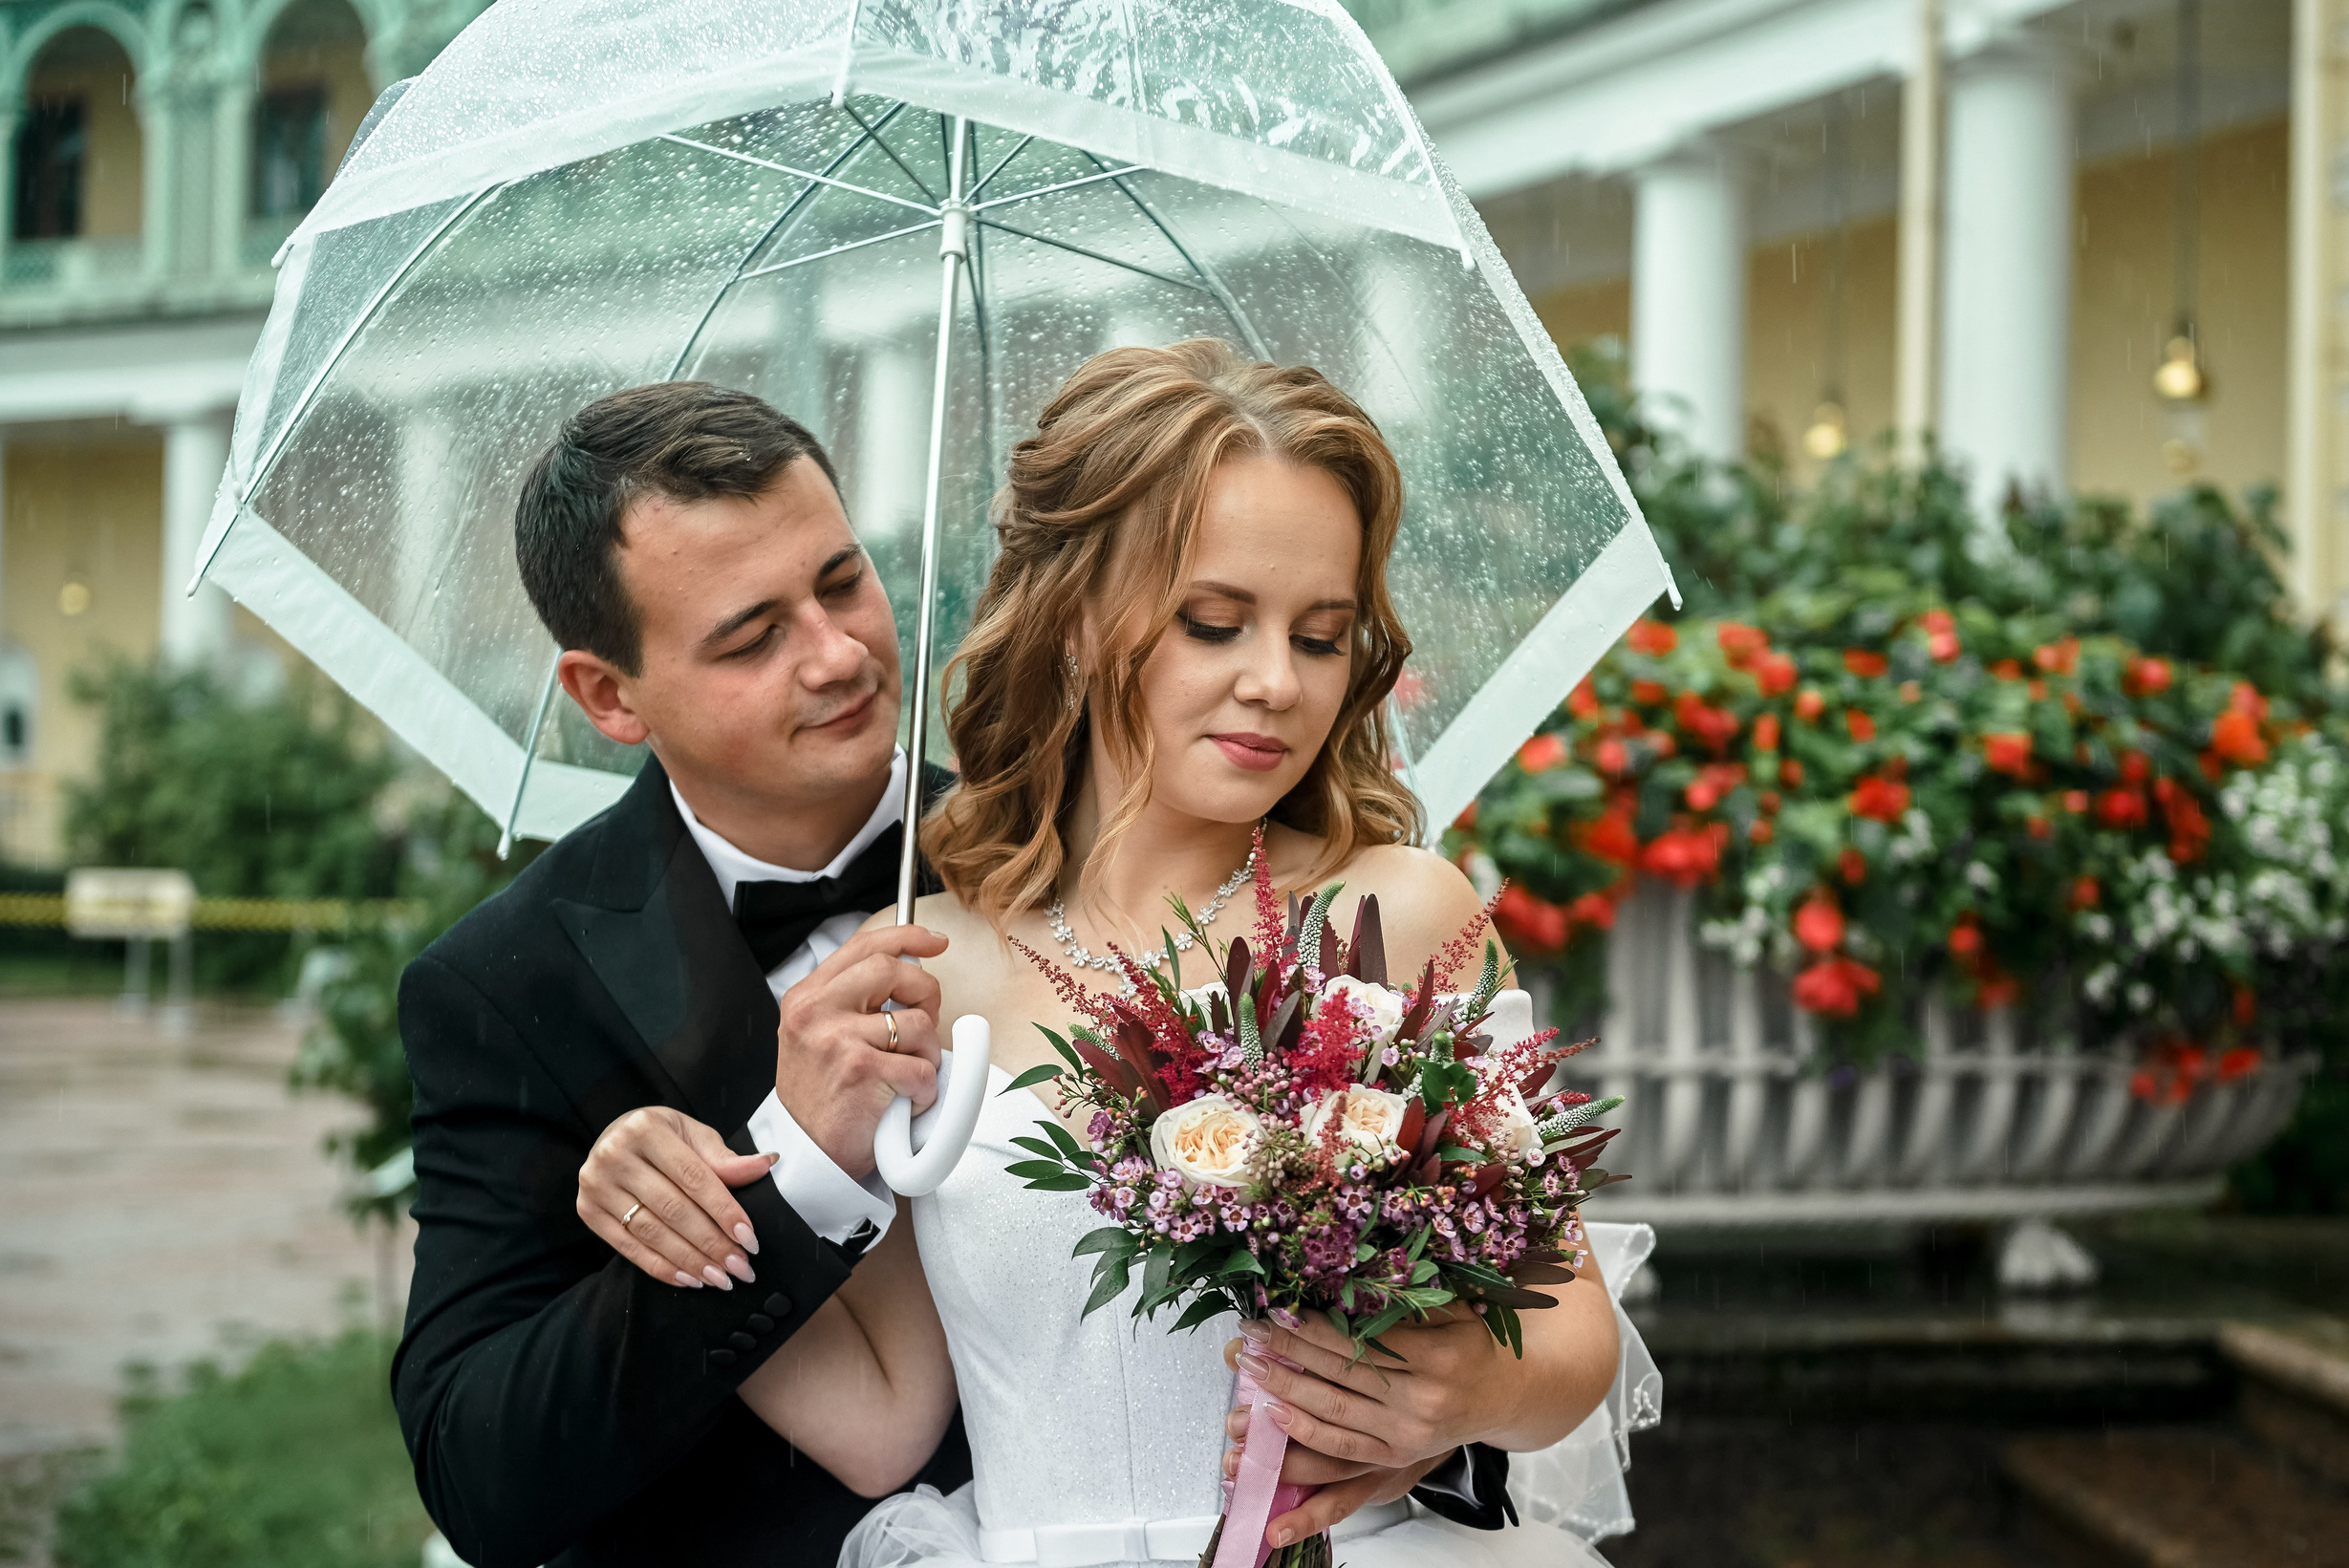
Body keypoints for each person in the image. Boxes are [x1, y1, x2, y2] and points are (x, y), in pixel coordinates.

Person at [393, 379, 1512, 1568]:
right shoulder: (509, 983)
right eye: (753, 635)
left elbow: (1486, 1315)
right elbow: (483, 1473)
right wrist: (738, 1190)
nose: (839, 655)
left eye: (842, 582)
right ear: (608, 694)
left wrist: (1418, 1422)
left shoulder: (1071, 853)